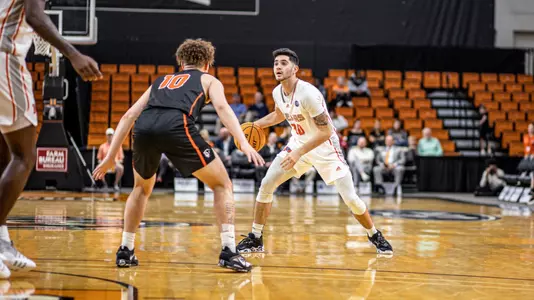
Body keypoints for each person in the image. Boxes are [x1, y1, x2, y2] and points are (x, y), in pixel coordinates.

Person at [93, 39, 264, 272]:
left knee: (140, 189)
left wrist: (111, 156)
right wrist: (242, 142)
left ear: (180, 62)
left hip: (144, 128)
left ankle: (125, 250)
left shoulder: (160, 81)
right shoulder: (209, 79)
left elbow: (129, 116)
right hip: (176, 125)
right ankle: (229, 251)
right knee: (222, 184)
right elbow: (223, 109)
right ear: (207, 63)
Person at [236, 48, 392, 255]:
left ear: (295, 68)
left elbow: (326, 131)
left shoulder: (308, 93)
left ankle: (374, 234)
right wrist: (253, 126)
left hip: (325, 149)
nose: (278, 67)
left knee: (351, 198)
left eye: (283, 63)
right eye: (275, 63)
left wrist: (298, 153)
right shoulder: (277, 92)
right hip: (298, 144)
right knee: (266, 184)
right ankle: (255, 237)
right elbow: (278, 115)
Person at [0, 0, 102, 278]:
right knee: (24, 156)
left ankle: (3, 242)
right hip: (4, 59)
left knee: (5, 157)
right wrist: (72, 54)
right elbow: (34, 16)